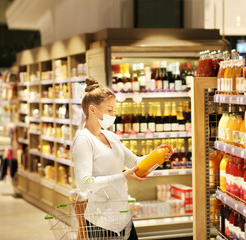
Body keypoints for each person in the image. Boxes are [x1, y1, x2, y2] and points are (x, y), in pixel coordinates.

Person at [72, 78, 173, 240]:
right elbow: (84, 183)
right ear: (92, 110)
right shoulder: (83, 140)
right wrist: (123, 176)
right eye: (110, 110)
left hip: (122, 216)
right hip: (101, 222)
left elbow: (135, 162)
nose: (114, 115)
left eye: (114, 110)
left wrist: (158, 157)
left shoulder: (111, 137)